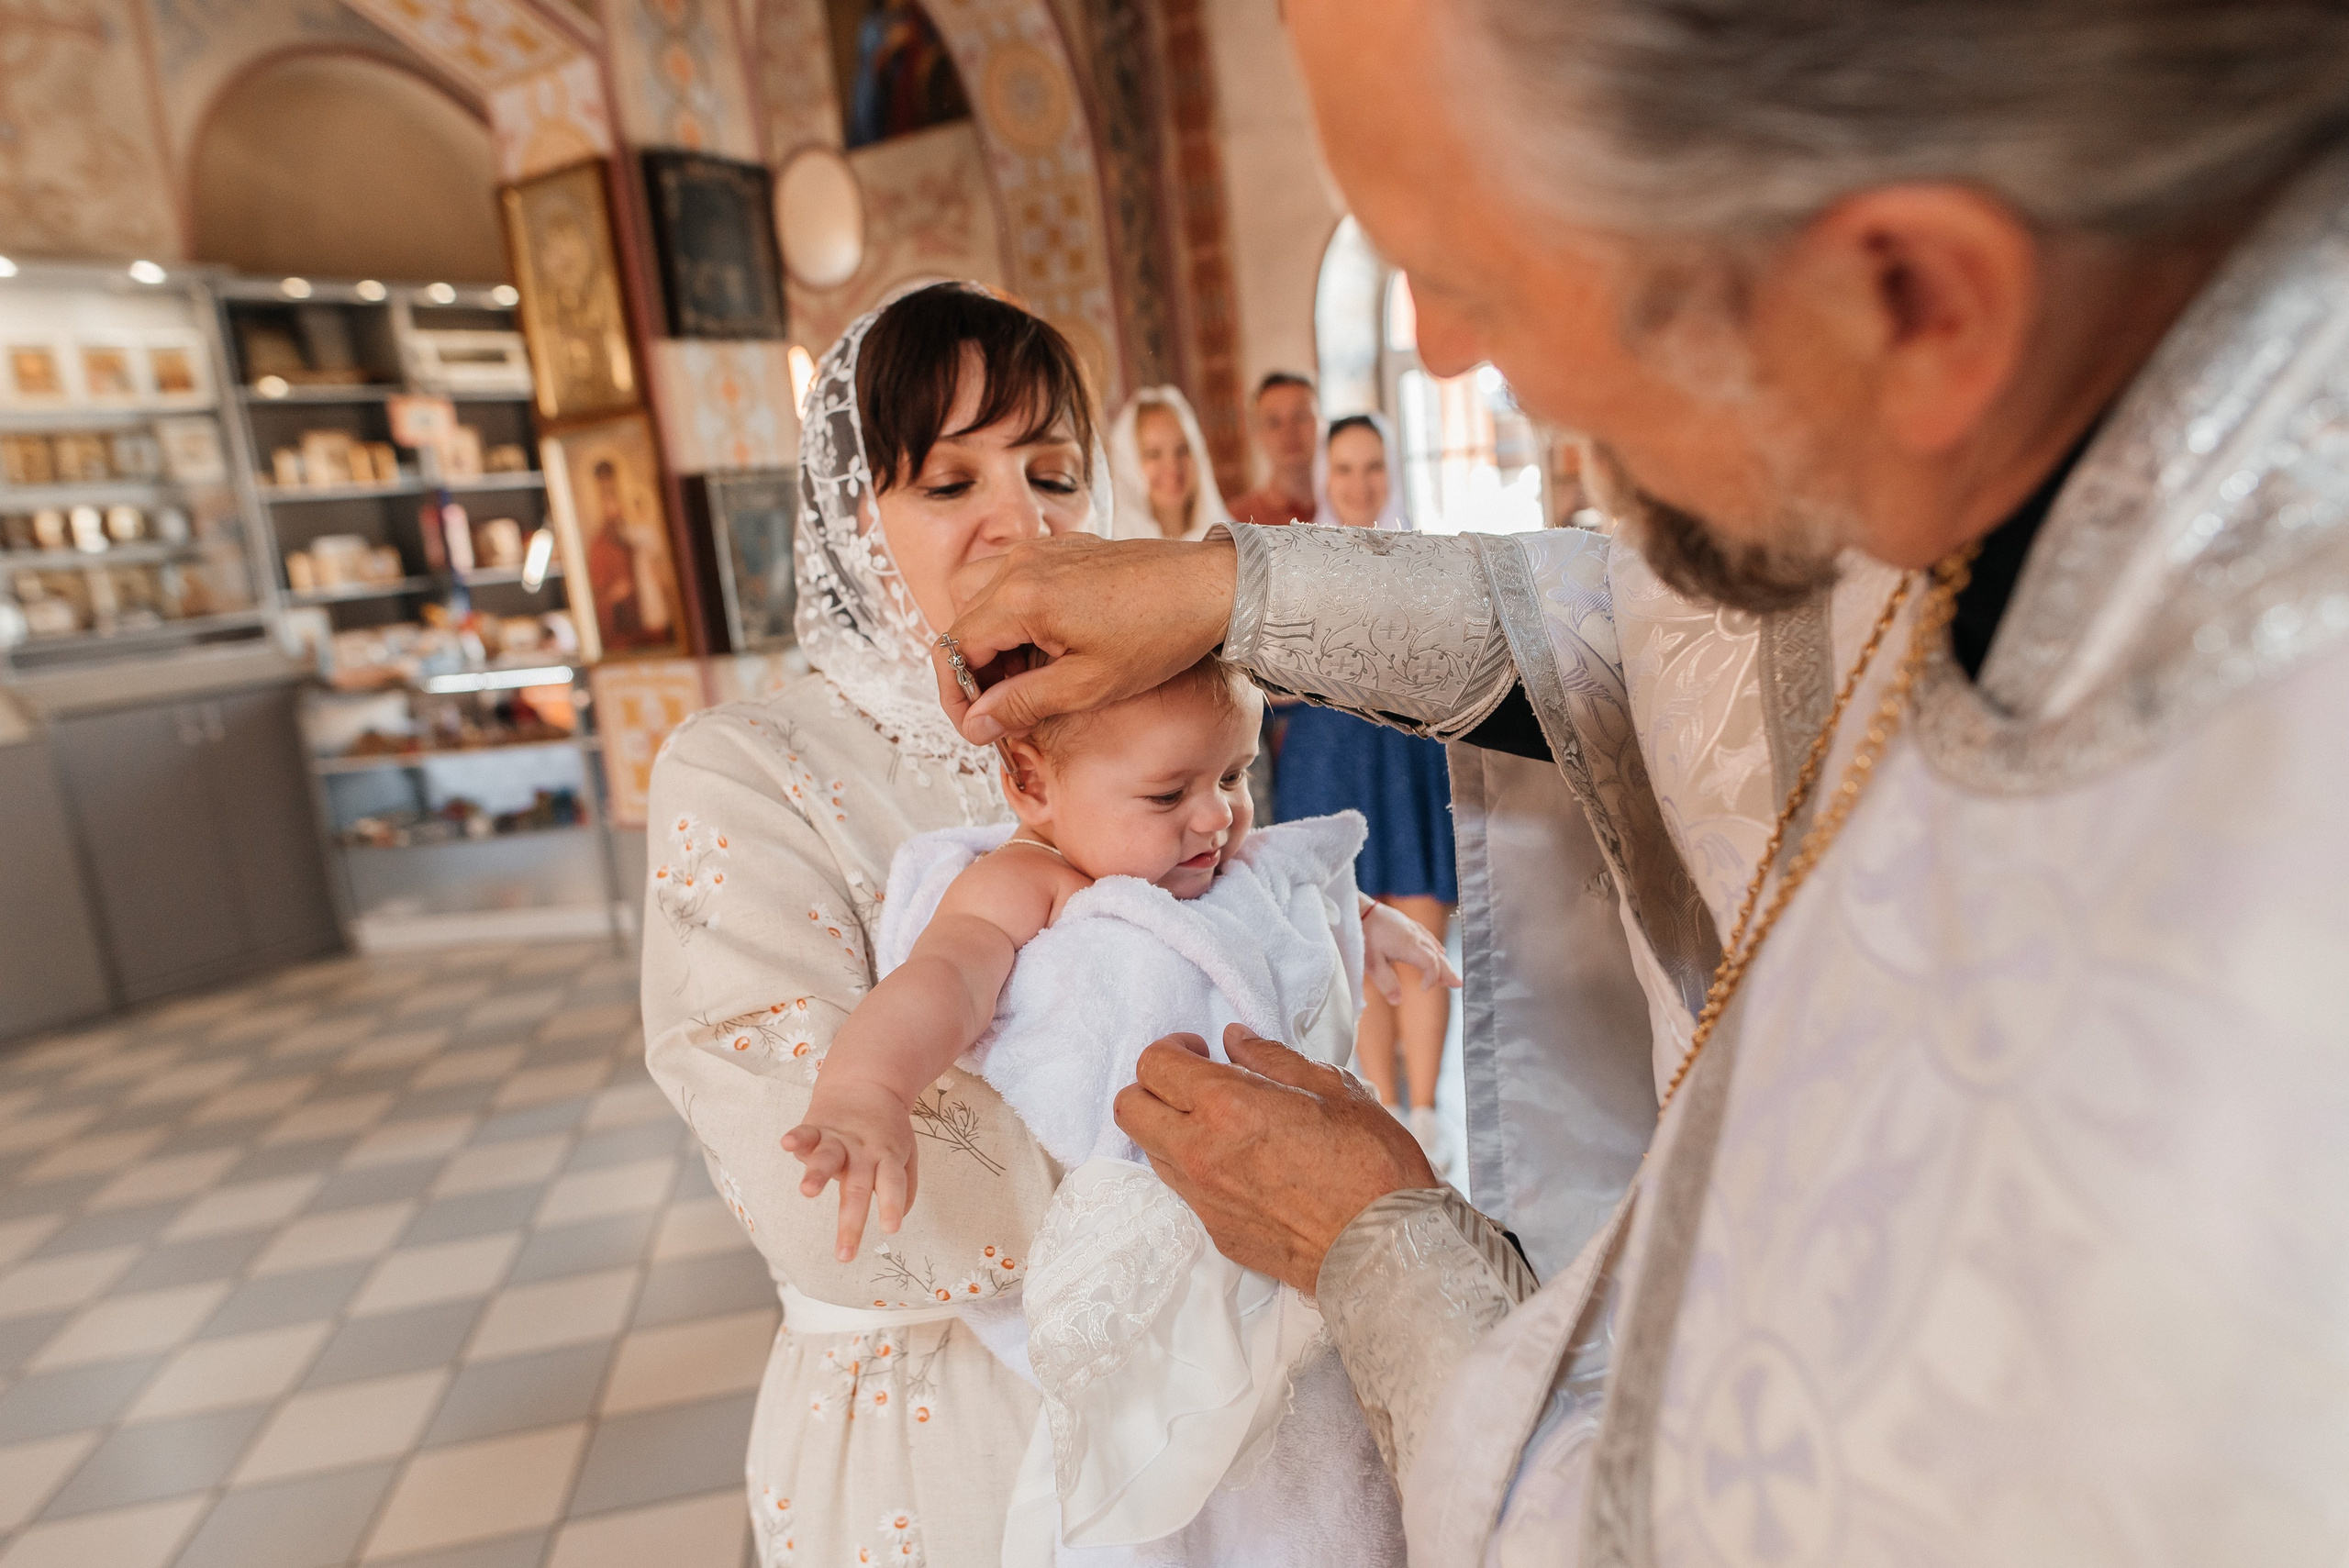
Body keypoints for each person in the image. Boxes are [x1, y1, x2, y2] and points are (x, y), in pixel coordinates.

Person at [926, 2, 2349, 1562]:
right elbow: (1660, 642)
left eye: (1470, 271)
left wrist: (1380, 1251)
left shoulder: (2263, 973)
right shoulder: (1999, 379)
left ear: (1914, 295)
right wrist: (1230, 591)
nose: (1449, 348)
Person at [640, 282, 1106, 1568]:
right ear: (857, 522)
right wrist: (1182, 1162)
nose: (1022, 518)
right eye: (951, 483)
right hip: (946, 1423)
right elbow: (817, 1179)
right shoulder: (748, 769)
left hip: (1203, 1370)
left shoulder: (1138, 735)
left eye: (1052, 469)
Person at [785, 655, 1436, 1562]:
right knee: (1171, 1481)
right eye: (1169, 792)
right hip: (1148, 1236)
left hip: (1294, 1217)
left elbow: (1276, 901)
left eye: (1235, 774)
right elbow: (944, 977)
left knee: (1328, 1472)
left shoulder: (1212, 864)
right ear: (1030, 783)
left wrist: (1360, 919)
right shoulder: (1027, 881)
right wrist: (866, 1088)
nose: (1216, 815)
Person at [1275, 415, 1455, 1162]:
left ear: (1393, 471)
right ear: (1326, 478)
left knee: (1419, 924)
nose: (1359, 483)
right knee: (1355, 931)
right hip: (1329, 756)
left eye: (1372, 466)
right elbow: (1274, 678)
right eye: (1344, 468)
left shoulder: (1430, 560)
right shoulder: (1297, 562)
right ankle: (1385, 1101)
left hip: (1408, 755)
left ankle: (1428, 1108)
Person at [1107, 384, 1229, 540]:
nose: (1172, 466)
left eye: (1182, 450)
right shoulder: (1114, 549)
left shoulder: (1231, 544)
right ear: (1128, 465)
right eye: (1154, 454)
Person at [1222, 373, 1319, 527]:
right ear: (1256, 434)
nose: (1289, 431)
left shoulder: (1350, 507)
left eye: (1300, 416)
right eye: (1274, 422)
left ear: (1321, 422)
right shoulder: (1237, 522)